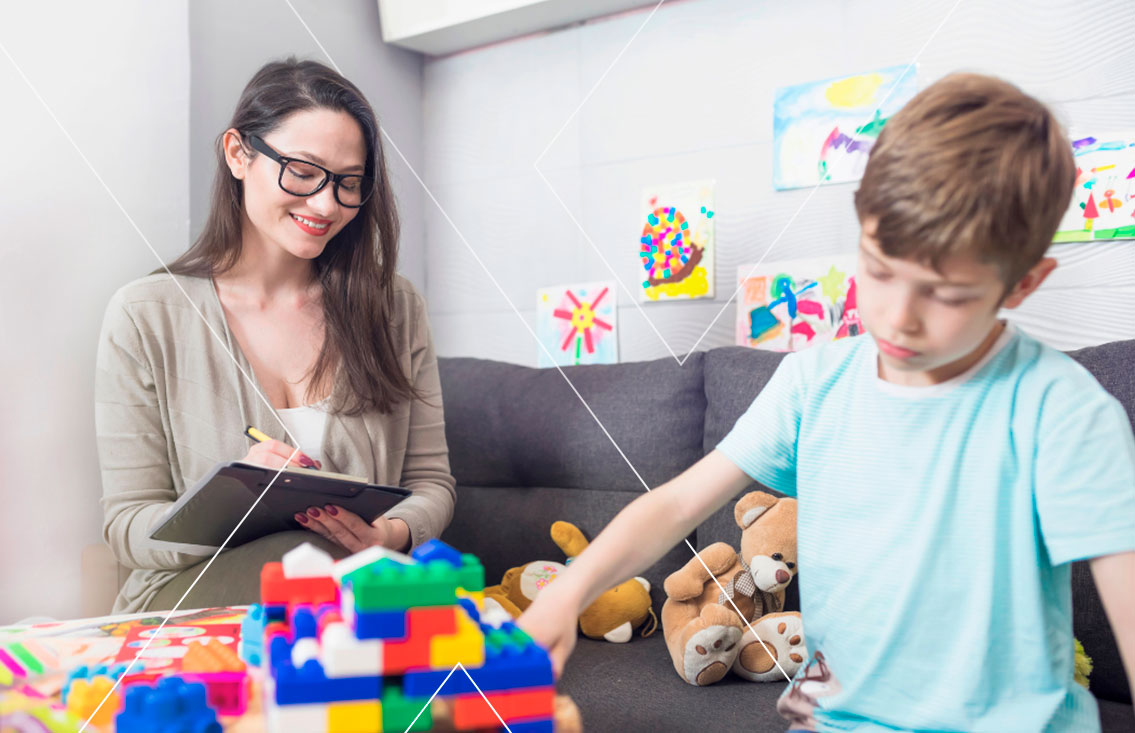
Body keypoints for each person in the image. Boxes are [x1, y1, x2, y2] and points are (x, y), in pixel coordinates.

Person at [518, 73, 1135, 731]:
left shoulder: (1064, 411)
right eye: (877, 267)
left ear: (1022, 283)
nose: (898, 317)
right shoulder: (812, 382)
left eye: (945, 293)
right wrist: (568, 594)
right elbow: (675, 504)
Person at [95, 58, 455, 614]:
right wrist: (230, 500)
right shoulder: (146, 314)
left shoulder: (393, 306)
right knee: (298, 556)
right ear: (239, 154)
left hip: (352, 600)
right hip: (192, 611)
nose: (326, 204)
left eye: (348, 183)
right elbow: (126, 527)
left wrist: (390, 536)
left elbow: (431, 483)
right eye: (303, 172)